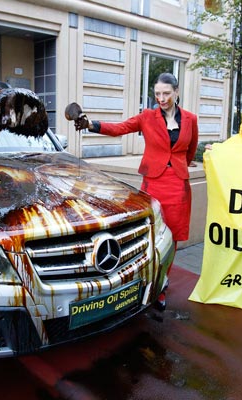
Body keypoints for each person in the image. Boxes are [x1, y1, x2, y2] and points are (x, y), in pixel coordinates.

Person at [73, 72, 199, 310]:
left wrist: (180, 164)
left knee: (171, 238)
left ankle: (162, 284)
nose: (162, 98)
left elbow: (190, 150)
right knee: (152, 235)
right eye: (158, 94)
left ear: (177, 92)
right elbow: (120, 128)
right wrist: (91, 125)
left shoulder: (191, 119)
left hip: (179, 186)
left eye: (166, 93)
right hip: (153, 183)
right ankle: (149, 283)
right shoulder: (147, 117)